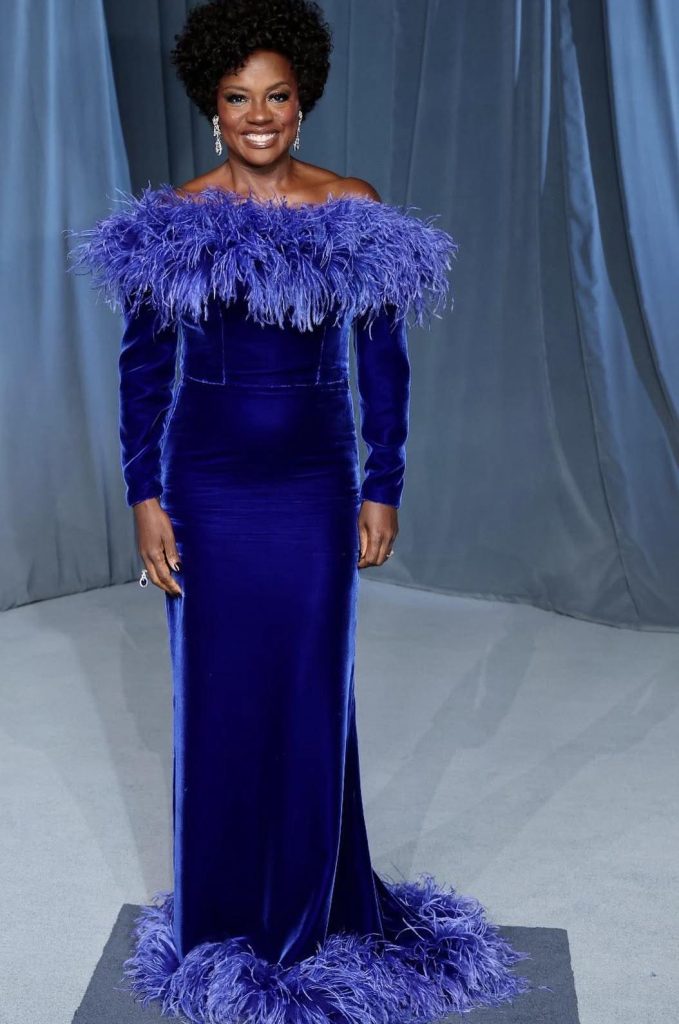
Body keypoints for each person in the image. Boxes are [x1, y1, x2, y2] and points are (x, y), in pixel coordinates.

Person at [70, 1, 531, 1021]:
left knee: (311, 691)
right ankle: (221, 921)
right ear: (212, 106)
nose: (259, 115)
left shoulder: (349, 208)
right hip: (206, 484)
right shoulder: (175, 221)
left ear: (303, 101)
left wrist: (383, 481)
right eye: (239, 97)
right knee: (214, 697)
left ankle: (313, 917)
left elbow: (384, 365)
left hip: (314, 484)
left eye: (277, 96)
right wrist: (144, 496)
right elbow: (142, 375)